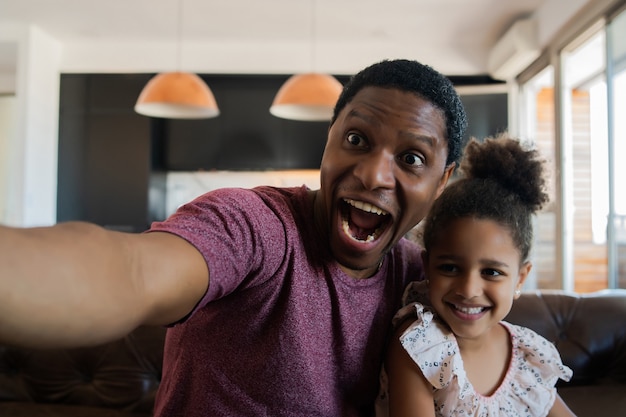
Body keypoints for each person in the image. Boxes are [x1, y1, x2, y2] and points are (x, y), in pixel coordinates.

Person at [0, 59, 468, 416]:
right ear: (329, 138)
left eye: (411, 158)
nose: (372, 174)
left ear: (442, 181)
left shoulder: (421, 278)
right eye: (356, 140)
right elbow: (131, 271)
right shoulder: (253, 225)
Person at [382, 134, 575, 417]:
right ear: (427, 265)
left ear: (520, 278)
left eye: (492, 272)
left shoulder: (527, 356)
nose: (469, 288)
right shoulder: (421, 346)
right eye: (450, 268)